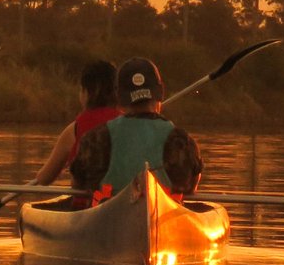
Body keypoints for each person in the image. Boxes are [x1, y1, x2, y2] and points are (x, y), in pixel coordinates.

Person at [69, 57, 202, 207]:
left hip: (109, 224)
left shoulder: (94, 138)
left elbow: (77, 185)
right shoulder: (181, 141)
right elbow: (191, 187)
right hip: (164, 222)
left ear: (118, 96)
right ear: (160, 92)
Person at [32, 60, 121, 185]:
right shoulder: (129, 123)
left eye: (81, 90)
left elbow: (44, 179)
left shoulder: (74, 129)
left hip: (86, 202)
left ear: (86, 93)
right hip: (121, 197)